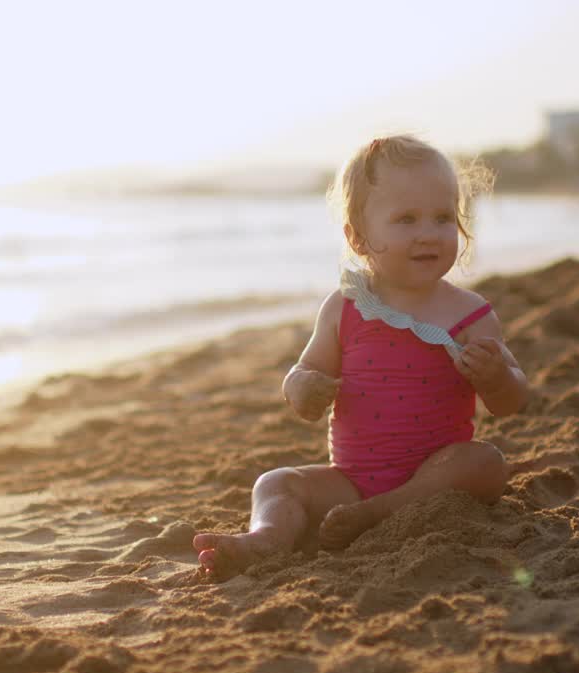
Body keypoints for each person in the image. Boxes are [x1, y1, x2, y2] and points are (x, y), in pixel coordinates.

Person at [193, 134, 530, 580]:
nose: (428, 233)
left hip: (434, 481)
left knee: (484, 462)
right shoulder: (345, 308)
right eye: (406, 219)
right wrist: (305, 389)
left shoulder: (470, 314)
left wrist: (495, 377)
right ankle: (268, 537)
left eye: (443, 217)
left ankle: (381, 513)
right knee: (275, 483)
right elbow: (305, 370)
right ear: (359, 238)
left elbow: (511, 400)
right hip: (349, 485)